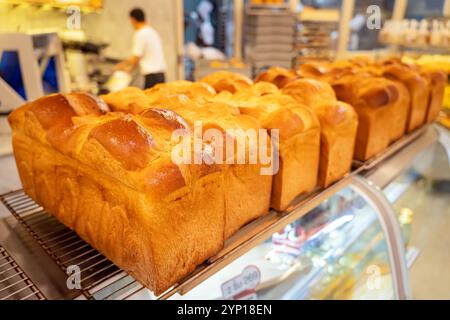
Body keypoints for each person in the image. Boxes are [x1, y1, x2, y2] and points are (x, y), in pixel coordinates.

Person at [115, 8, 167, 89]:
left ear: (132, 20)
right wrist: (129, 69)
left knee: (149, 100)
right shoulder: (152, 31)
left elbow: (136, 57)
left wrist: (121, 66)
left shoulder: (140, 33)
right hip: (161, 75)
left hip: (152, 76)